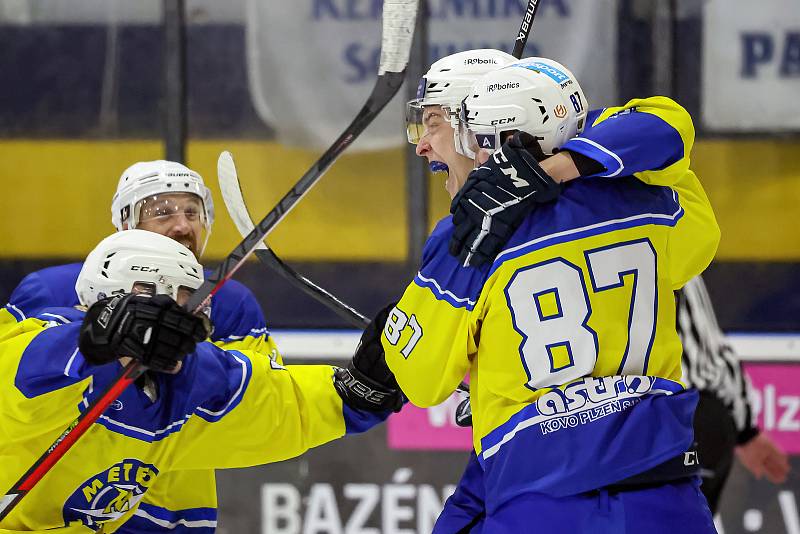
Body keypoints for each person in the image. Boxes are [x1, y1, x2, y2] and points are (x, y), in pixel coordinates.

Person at [385, 56, 720, 532]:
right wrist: (566, 165)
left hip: (540, 496)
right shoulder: (646, 194)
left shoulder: (466, 239)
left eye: (439, 122)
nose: (424, 144)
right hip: (665, 495)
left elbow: (418, 379)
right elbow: (693, 225)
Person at [0, 230, 402, 532]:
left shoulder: (183, 379)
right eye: (186, 301)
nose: (200, 321)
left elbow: (275, 402)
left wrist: (354, 393)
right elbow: (21, 373)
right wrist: (101, 338)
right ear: (139, 290)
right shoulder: (44, 336)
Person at [0, 161, 267, 531]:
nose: (183, 225)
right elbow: (16, 383)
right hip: (69, 498)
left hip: (174, 507)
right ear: (125, 222)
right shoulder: (52, 288)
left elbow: (250, 407)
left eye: (193, 211)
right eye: (162, 212)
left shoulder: (232, 302)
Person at [679, 275, 789, 512]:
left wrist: (746, 432)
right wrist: (745, 429)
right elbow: (710, 354)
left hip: (623, 425)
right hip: (688, 418)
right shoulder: (667, 246)